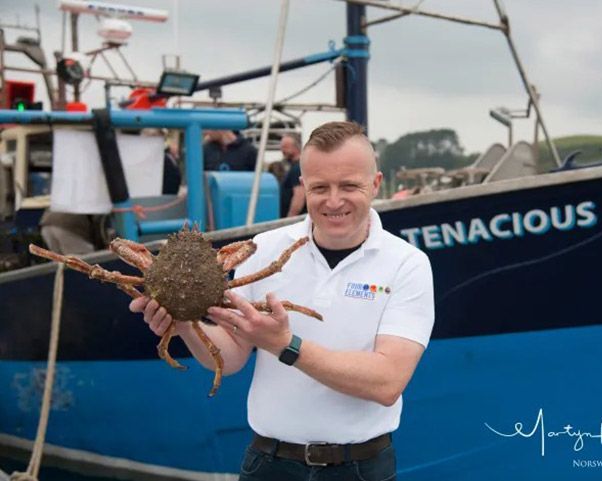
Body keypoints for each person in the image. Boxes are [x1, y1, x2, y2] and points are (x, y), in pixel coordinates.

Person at [130, 121, 435, 481]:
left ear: (376, 184)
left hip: (360, 468)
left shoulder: (406, 264)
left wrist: (284, 345)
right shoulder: (263, 250)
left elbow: (386, 383)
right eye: (320, 187)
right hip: (268, 462)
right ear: (303, 185)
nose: (333, 200)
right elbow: (229, 359)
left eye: (349, 185)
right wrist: (184, 324)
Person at [279, 132, 306, 217]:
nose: (282, 150)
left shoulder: (297, 169)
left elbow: (299, 198)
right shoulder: (296, 167)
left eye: (285, 147)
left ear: (296, 147)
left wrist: (288, 221)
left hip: (293, 221)